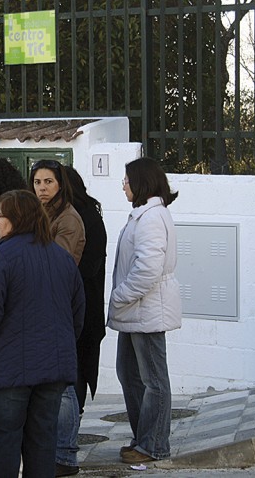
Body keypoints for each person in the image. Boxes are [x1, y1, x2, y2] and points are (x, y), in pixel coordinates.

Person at [0, 190, 85, 478]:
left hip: (7, 370)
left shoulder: (1, 257)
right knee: (42, 444)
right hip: (51, 369)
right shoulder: (60, 257)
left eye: (0, 216)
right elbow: (77, 314)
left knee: (4, 443)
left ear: (15, 219)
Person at [109, 157, 182, 465]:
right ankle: (144, 438)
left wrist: (120, 297)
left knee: (153, 380)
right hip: (136, 312)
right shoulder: (144, 214)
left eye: (127, 179)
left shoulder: (151, 217)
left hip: (145, 311)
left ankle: (153, 445)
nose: (123, 184)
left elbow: (147, 269)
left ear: (140, 182)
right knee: (129, 373)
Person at [28, 159, 87, 476]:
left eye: (48, 182)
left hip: (57, 306)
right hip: (38, 307)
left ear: (60, 184)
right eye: (37, 182)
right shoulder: (41, 215)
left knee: (62, 384)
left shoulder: (68, 218)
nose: (42, 188)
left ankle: (65, 454)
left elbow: (57, 264)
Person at [51, 168, 109, 477]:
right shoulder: (82, 215)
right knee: (74, 377)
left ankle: (66, 445)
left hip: (80, 311)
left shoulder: (78, 218)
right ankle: (65, 442)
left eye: (51, 184)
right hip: (82, 310)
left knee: (72, 379)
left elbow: (83, 268)